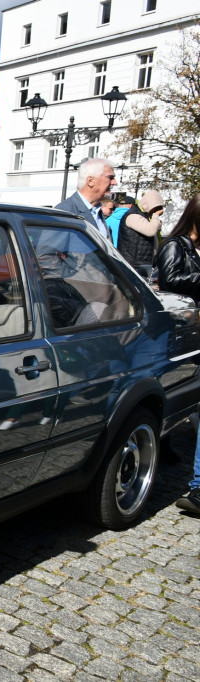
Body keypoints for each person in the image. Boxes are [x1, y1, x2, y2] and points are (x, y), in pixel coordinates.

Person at [154, 195, 200, 515]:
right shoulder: (175, 245)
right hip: (177, 333)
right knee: (171, 395)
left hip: (195, 332)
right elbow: (169, 280)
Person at [53, 158, 117, 242]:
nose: (115, 182)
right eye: (110, 177)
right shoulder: (64, 212)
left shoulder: (97, 211)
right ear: (90, 181)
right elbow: (48, 252)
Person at [117, 190, 164, 278]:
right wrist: (156, 216)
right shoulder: (133, 215)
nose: (158, 210)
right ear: (150, 205)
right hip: (135, 265)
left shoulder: (144, 215)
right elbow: (151, 231)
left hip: (143, 264)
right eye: (156, 208)